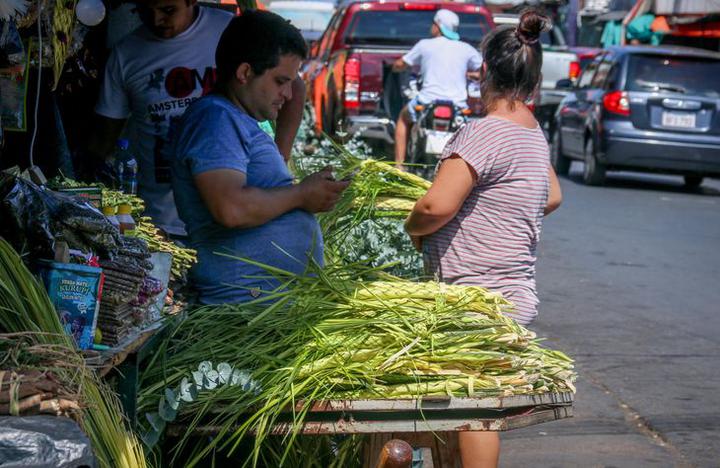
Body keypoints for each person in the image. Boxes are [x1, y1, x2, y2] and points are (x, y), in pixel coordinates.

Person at [404, 10, 562, 468]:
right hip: (511, 293)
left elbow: (434, 207)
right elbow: (550, 194)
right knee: (469, 405)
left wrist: (413, 226)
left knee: (474, 411)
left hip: (476, 298)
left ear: (483, 75)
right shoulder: (532, 133)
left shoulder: (481, 133)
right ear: (533, 81)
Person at [169, 11, 349, 304]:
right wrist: (301, 195)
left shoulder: (238, 118)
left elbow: (297, 89)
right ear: (244, 73)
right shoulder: (215, 120)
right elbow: (231, 209)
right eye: (280, 81)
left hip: (261, 304)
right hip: (244, 308)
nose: (288, 94)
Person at [88, 0, 306, 237]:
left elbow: (291, 84)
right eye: (144, 10)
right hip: (161, 217)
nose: (157, 20)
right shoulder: (126, 53)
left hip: (225, 208)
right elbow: (103, 138)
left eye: (168, 9)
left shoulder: (228, 32)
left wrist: (279, 158)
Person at [391, 9, 483, 169]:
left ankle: (399, 166)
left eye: (433, 23)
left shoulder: (424, 45)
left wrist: (396, 67)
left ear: (438, 26)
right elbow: (484, 70)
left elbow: (400, 64)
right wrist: (471, 74)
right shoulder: (466, 48)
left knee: (402, 119)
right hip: (458, 107)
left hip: (426, 103)